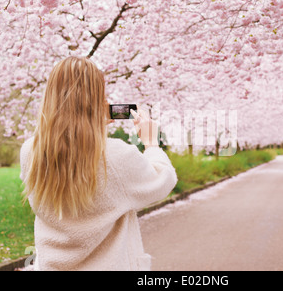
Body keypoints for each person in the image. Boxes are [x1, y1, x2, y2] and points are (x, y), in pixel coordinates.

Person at [19, 56, 177, 271]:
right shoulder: (115, 156)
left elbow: (72, 154)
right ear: (95, 99)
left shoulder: (31, 151)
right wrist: (151, 143)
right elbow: (162, 180)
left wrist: (88, 127)